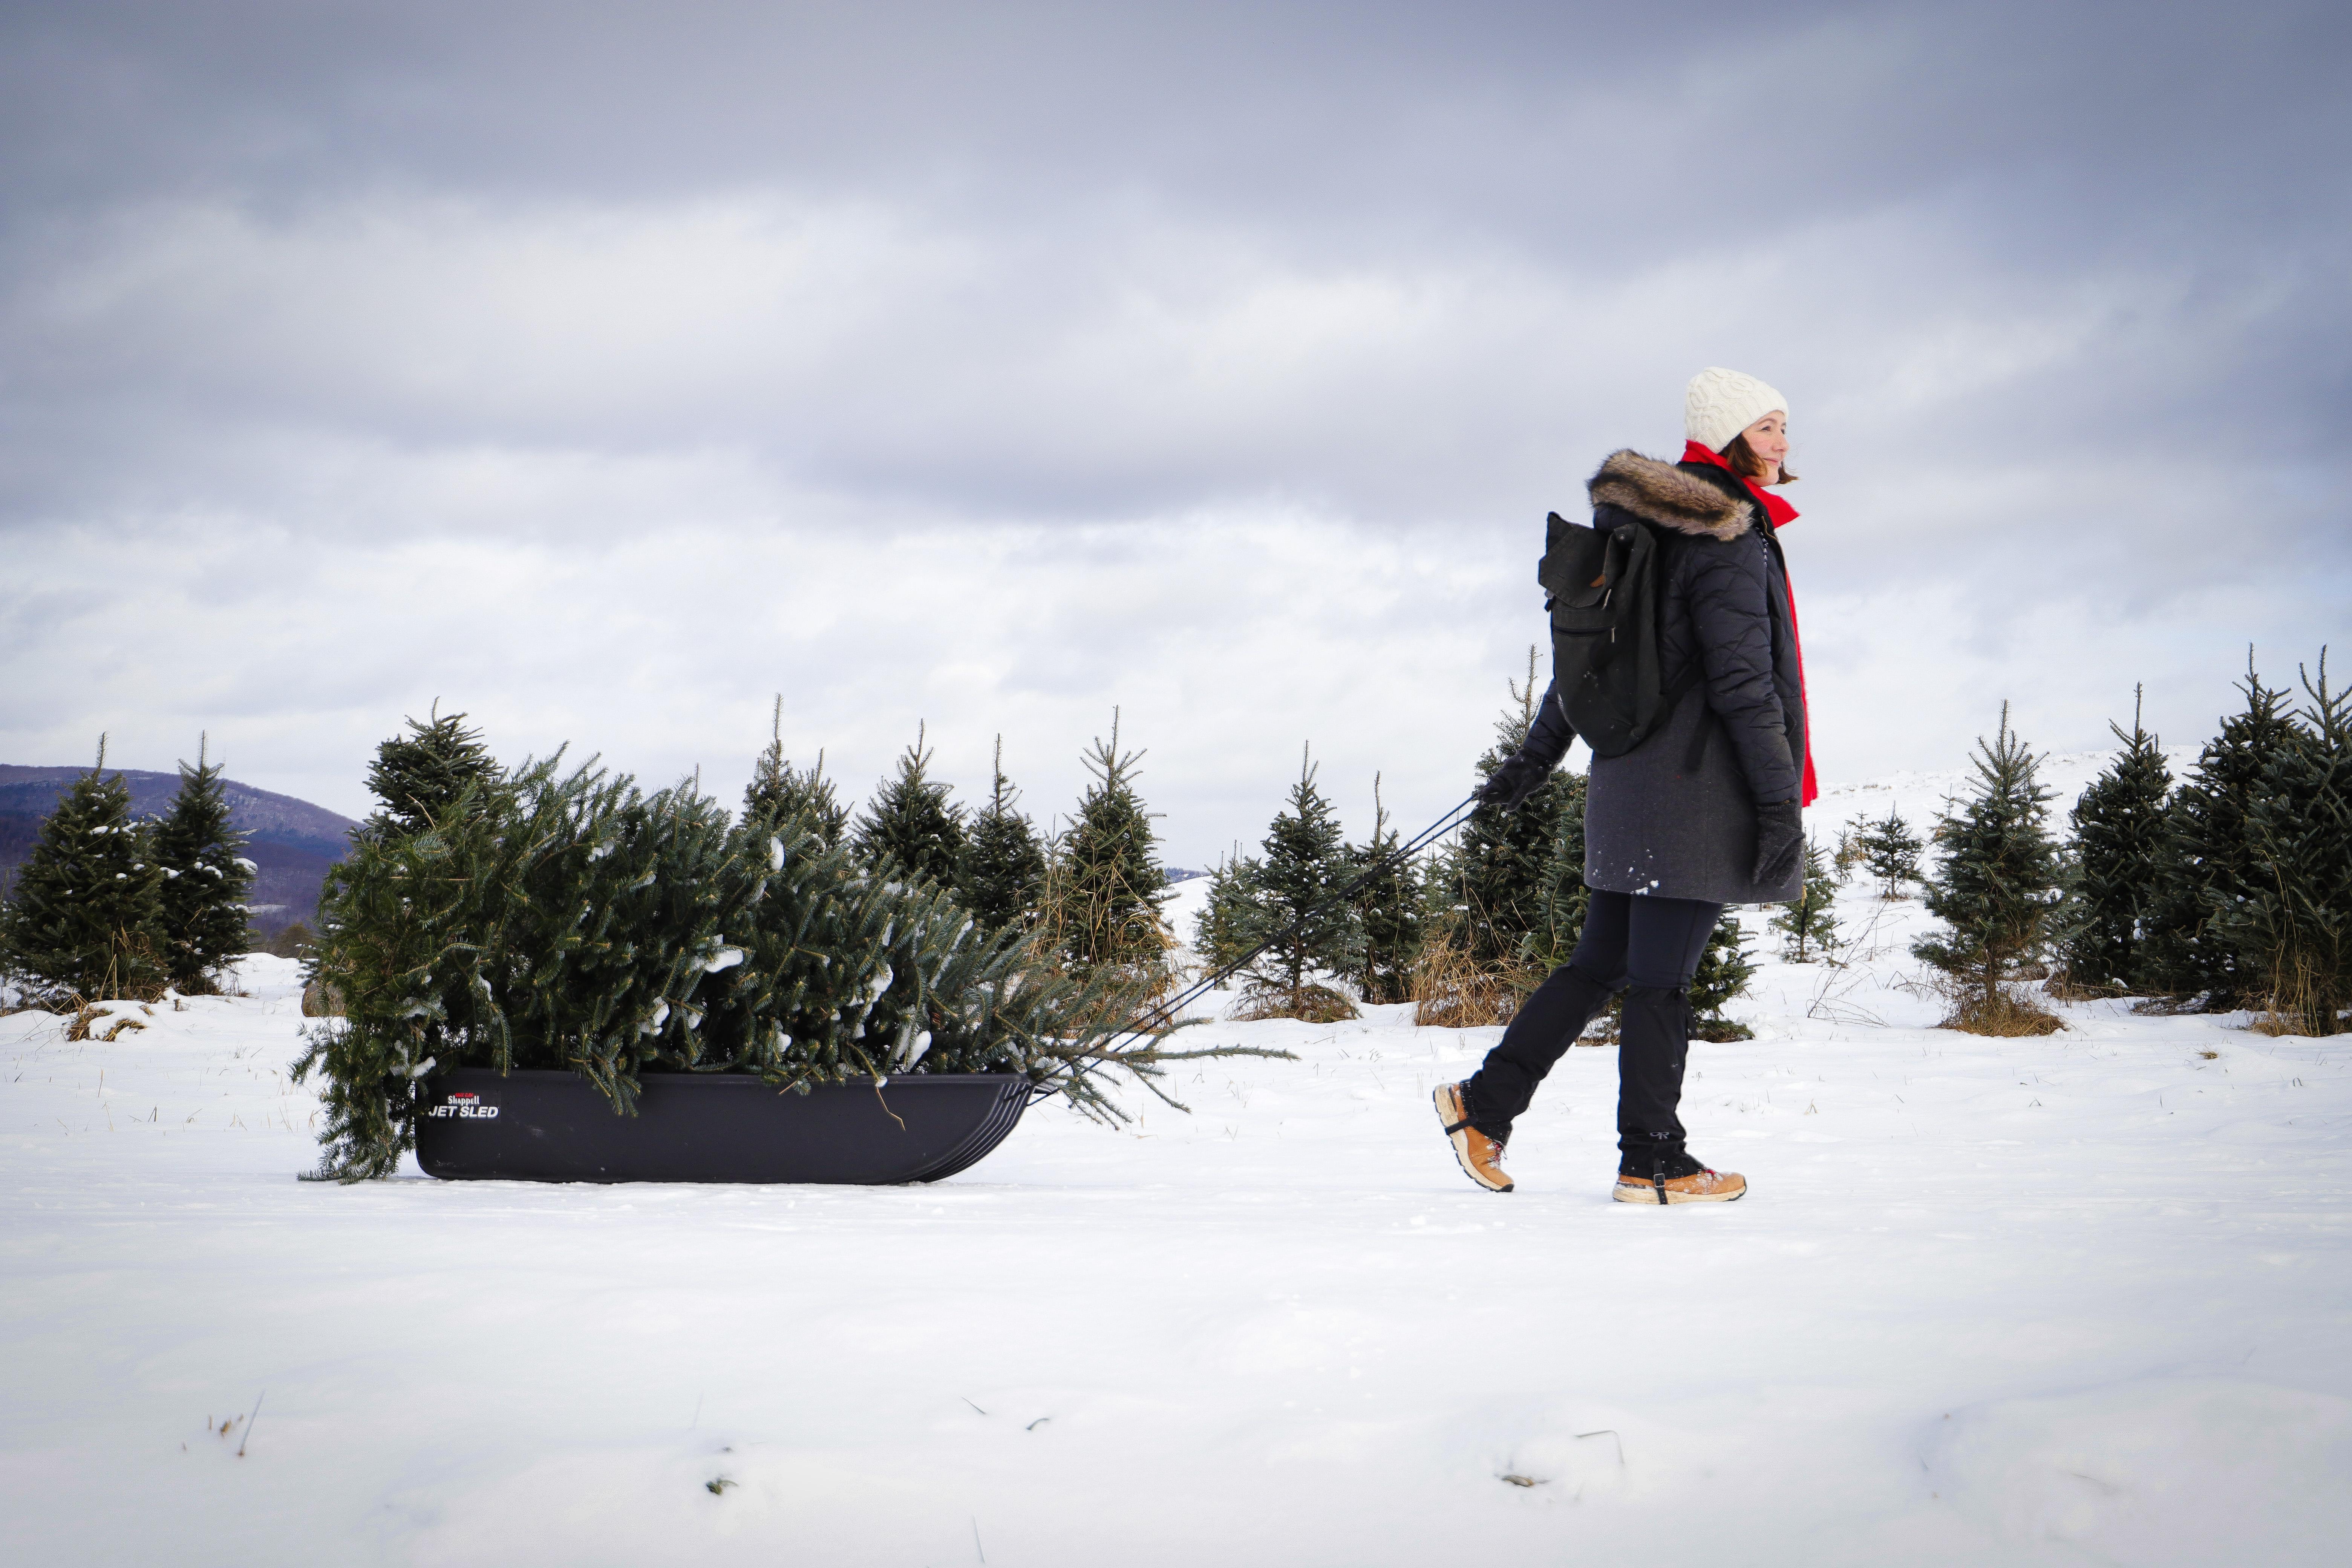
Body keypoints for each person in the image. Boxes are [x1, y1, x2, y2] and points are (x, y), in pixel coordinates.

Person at [1433, 366, 1815, 1204]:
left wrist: (1536, 758)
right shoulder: (1723, 537)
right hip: (1696, 793)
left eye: (1785, 426)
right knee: (1660, 982)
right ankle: (1653, 1160)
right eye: (1768, 427)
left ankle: (1483, 1103)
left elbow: (1584, 669)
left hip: (1627, 789)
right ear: (1726, 438)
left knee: (1600, 963)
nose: (1785, 443)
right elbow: (1745, 685)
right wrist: (1778, 802)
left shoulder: (1643, 529)